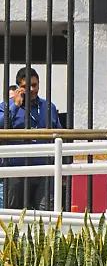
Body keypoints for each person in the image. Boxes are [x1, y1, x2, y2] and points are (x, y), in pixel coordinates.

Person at [0, 68, 63, 210]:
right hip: (15, 172)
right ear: (18, 88)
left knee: (46, 214)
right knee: (14, 215)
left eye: (34, 85)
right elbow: (1, 126)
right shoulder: (6, 107)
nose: (31, 89)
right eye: (25, 86)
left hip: (44, 171)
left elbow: (59, 135)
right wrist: (15, 106)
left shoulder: (48, 107)